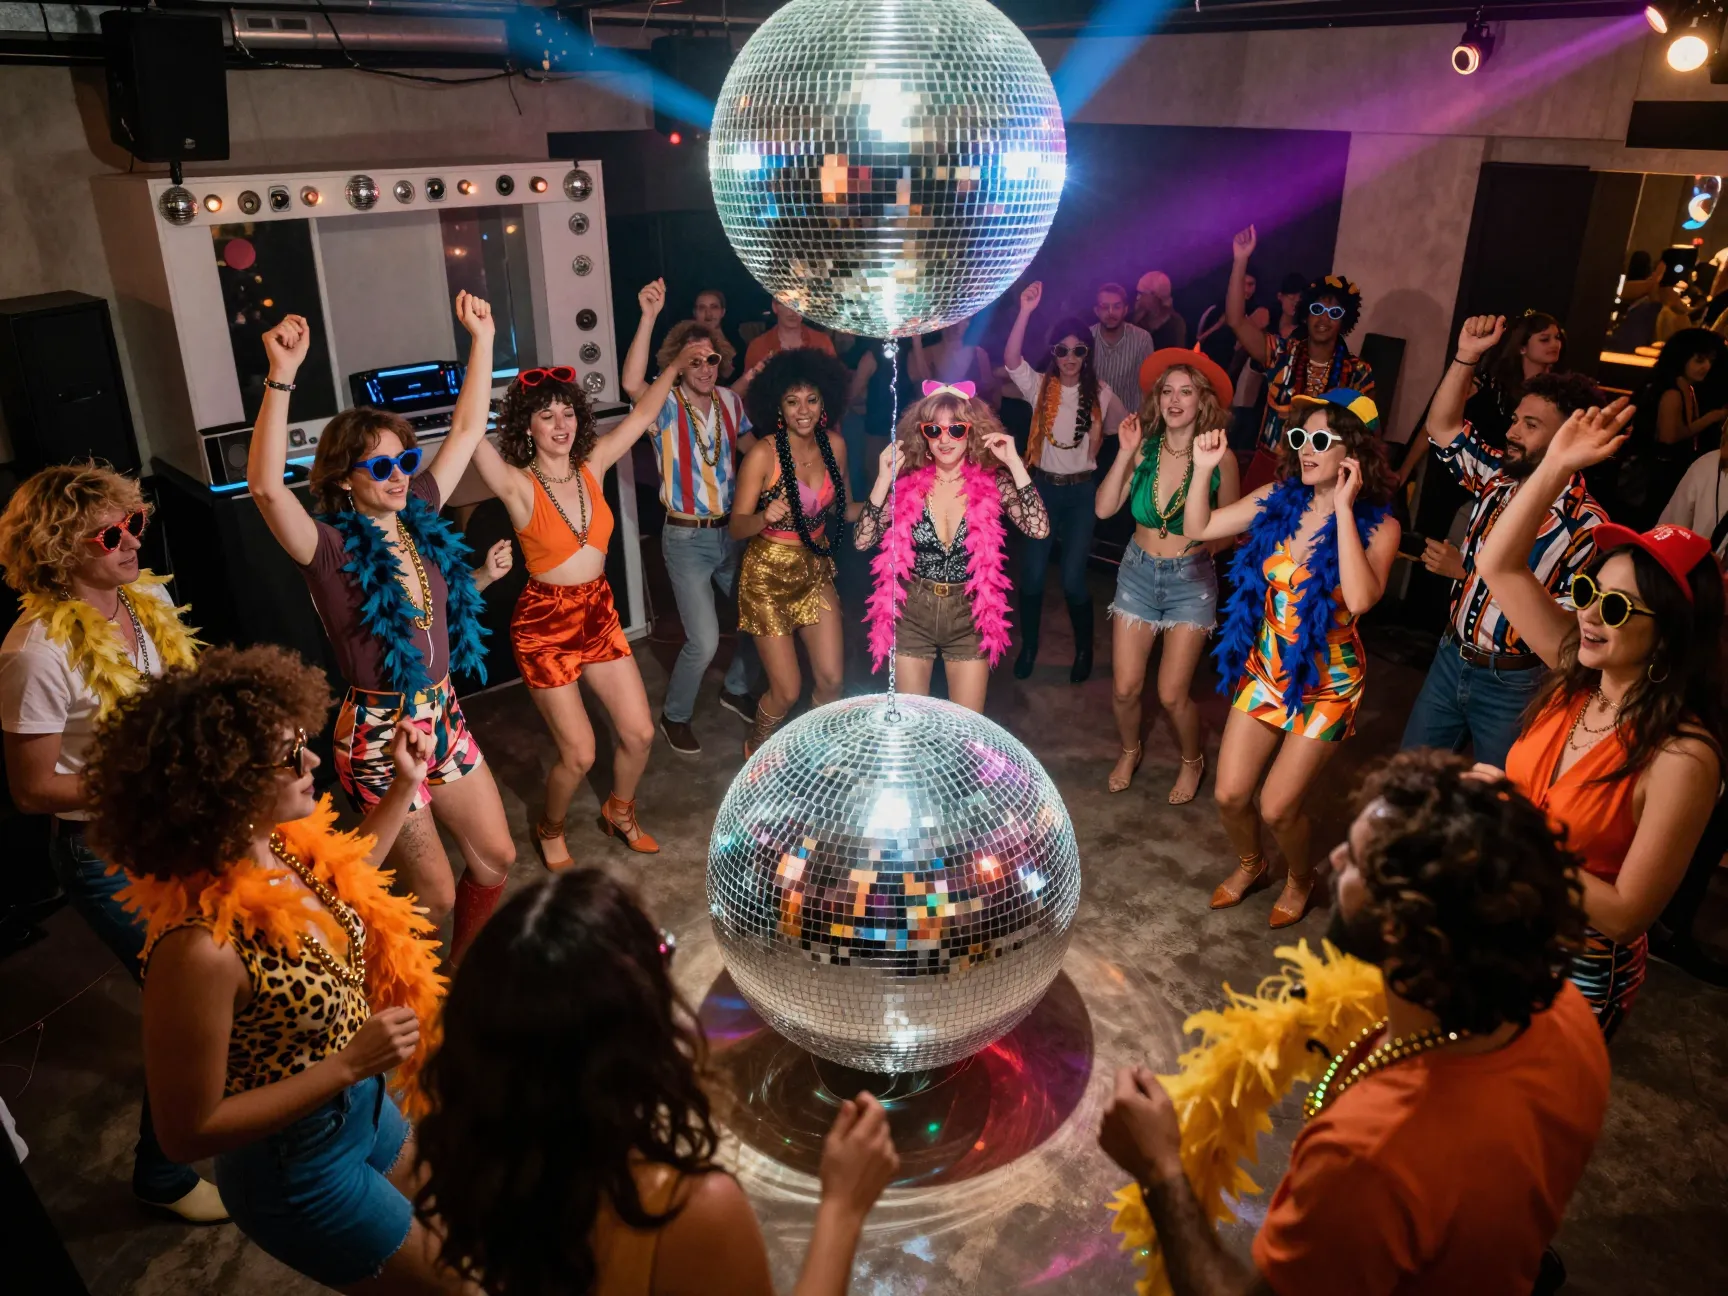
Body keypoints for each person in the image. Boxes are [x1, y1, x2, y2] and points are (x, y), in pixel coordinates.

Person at [1098, 749, 1610, 1296]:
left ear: (1401, 929)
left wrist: (1160, 1170)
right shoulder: (1565, 1012)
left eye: (1360, 863)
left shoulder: (1369, 1158)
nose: (1335, 858)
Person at [88, 645, 451, 1292]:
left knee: (457, 1232)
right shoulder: (198, 948)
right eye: (288, 756)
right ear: (227, 782)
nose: (311, 761)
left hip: (365, 1109)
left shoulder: (277, 844)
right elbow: (185, 1132)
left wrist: (403, 784)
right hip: (300, 1170)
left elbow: (347, 882)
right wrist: (347, 1064)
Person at [414, 868, 899, 1296]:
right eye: (660, 952)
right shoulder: (687, 1212)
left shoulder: (474, 1157)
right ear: (624, 1031)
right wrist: (843, 1208)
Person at [247, 293, 516, 962]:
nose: (400, 476)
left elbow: (462, 432)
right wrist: (280, 375)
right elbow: (266, 491)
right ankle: (406, 1006)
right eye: (380, 467)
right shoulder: (329, 550)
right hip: (378, 733)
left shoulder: (422, 508)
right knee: (435, 898)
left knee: (497, 857)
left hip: (445, 712)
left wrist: (482, 339)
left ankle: (461, 982)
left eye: (403, 461)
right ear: (344, 477)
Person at [0, 464, 224, 1223]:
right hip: (107, 857)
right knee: (192, 1006)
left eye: (136, 522)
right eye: (109, 533)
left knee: (225, 981)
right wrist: (142, 782)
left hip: (181, 830)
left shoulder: (148, 598)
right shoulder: (33, 652)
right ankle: (162, 1175)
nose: (130, 540)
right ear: (59, 548)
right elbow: (32, 790)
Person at [1478, 400, 1724, 1039]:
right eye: (1588, 591)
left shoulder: (1683, 757)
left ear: (1669, 637)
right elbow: (1497, 565)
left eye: (1616, 606)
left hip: (1572, 970)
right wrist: (1556, 463)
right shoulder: (1577, 677)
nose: (1589, 613)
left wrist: (1512, 825)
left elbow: (1623, 915)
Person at [461, 298, 711, 867]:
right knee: (578, 754)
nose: (560, 424)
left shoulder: (593, 464)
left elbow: (644, 414)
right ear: (527, 425)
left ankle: (617, 810)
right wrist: (482, 340)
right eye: (545, 415)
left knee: (640, 734)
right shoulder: (516, 484)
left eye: (566, 413)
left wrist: (674, 366)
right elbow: (470, 430)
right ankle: (550, 826)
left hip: (597, 612)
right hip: (544, 625)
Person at [1185, 390, 1400, 927]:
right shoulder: (1277, 498)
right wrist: (1202, 470)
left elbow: (1361, 598)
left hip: (1329, 683)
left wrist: (1345, 510)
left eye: (1320, 440)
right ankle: (1252, 865)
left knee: (1277, 806)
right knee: (1232, 795)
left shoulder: (1380, 526)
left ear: (1353, 450)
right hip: (1266, 667)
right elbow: (1198, 528)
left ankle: (1300, 877)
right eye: (1301, 437)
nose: (1305, 449)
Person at [1399, 316, 1608, 770]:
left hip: (1515, 684)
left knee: (1500, 813)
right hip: (1450, 657)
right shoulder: (1498, 479)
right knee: (1407, 784)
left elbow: (1564, 643)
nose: (1512, 432)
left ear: (1567, 437)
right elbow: (1442, 427)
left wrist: (1467, 573)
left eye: (1529, 425)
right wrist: (1465, 357)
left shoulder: (1587, 529)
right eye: (1515, 419)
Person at [621, 280, 762, 756]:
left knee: (758, 620)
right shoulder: (662, 404)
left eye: (711, 359)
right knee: (702, 641)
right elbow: (629, 384)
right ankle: (674, 716)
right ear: (679, 364)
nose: (704, 368)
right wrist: (647, 317)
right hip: (684, 539)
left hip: (731, 533)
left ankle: (735, 689)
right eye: (693, 361)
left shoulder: (730, 402)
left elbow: (750, 451)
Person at [1094, 352, 1241, 802]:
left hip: (1190, 581)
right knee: (1124, 688)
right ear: (1157, 399)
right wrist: (1122, 453)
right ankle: (1129, 749)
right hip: (1137, 573)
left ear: (1202, 401)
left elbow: (1230, 530)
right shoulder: (1144, 448)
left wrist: (1196, 547)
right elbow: (1103, 509)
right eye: (1167, 390)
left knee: (1173, 694)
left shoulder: (1220, 457)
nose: (1175, 399)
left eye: (1186, 391)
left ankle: (1192, 760)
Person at [855, 381, 1048, 712]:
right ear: (923, 434)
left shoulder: (993, 481)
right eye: (934, 429)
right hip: (913, 611)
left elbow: (1039, 528)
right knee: (913, 727)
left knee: (967, 728)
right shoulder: (907, 482)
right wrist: (882, 480)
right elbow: (862, 540)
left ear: (971, 432)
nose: (945, 439)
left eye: (956, 429)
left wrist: (1015, 463)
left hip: (969, 615)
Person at [732, 349, 860, 755]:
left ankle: (811, 751)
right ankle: (756, 746)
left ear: (825, 401)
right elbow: (736, 526)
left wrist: (885, 505)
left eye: (811, 399)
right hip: (767, 576)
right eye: (792, 401)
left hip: (813, 568)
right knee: (786, 691)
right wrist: (763, 516)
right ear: (779, 406)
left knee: (831, 680)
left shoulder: (834, 445)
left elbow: (844, 508)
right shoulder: (762, 454)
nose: (803, 410)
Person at [1003, 281, 1130, 683]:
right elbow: (1010, 360)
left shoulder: (1103, 394)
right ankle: (1030, 648)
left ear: (1086, 355)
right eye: (1062, 350)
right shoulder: (1040, 386)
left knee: (1075, 578)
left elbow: (1128, 431)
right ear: (1054, 353)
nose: (1070, 357)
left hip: (1080, 494)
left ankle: (1083, 649)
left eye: (1078, 350)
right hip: (1041, 489)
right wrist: (1024, 310)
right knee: (1035, 575)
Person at [1225, 226, 1375, 492]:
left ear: (1345, 321)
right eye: (1317, 309)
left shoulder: (1358, 373)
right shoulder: (1282, 354)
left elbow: (1366, 436)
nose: (1324, 318)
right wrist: (1240, 260)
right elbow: (1236, 320)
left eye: (1334, 312)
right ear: (1305, 314)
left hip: (1324, 477)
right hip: (1270, 469)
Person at [1616, 327, 1728, 531]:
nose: (1706, 367)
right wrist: (1710, 418)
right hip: (1655, 478)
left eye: (1710, 361)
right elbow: (1668, 438)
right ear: (1681, 358)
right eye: (1699, 360)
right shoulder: (1672, 392)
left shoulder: (1686, 387)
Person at [1227, 271, 1304, 452]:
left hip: (1277, 392)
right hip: (1251, 382)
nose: (1295, 302)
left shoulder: (1302, 331)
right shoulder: (1266, 315)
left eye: (1300, 298)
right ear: (1280, 296)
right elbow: (1238, 339)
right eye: (1291, 296)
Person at [1088, 282, 1157, 412]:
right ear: (1096, 311)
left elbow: (1149, 385)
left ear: (1125, 309)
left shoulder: (1142, 339)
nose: (1111, 313)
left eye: (1116, 307)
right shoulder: (1086, 338)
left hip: (1129, 422)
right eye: (1104, 307)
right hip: (1091, 420)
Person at [908, 318, 997, 410]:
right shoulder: (925, 353)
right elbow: (921, 386)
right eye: (954, 321)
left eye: (965, 321)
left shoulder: (979, 354)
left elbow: (991, 393)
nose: (958, 327)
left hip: (970, 418)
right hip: (937, 418)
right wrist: (917, 343)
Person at [742, 298, 837, 374]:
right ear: (775, 306)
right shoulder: (758, 346)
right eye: (786, 303)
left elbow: (836, 384)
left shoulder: (822, 342)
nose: (792, 311)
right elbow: (749, 392)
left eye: (799, 303)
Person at [1133, 270, 1189, 349]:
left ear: (1154, 296)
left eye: (1142, 294)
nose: (1138, 298)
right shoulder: (1136, 320)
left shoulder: (1175, 325)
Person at [693, 288, 738, 382]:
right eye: (702, 308)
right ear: (695, 313)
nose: (708, 314)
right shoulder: (685, 343)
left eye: (714, 307)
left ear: (723, 312)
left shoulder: (737, 341)